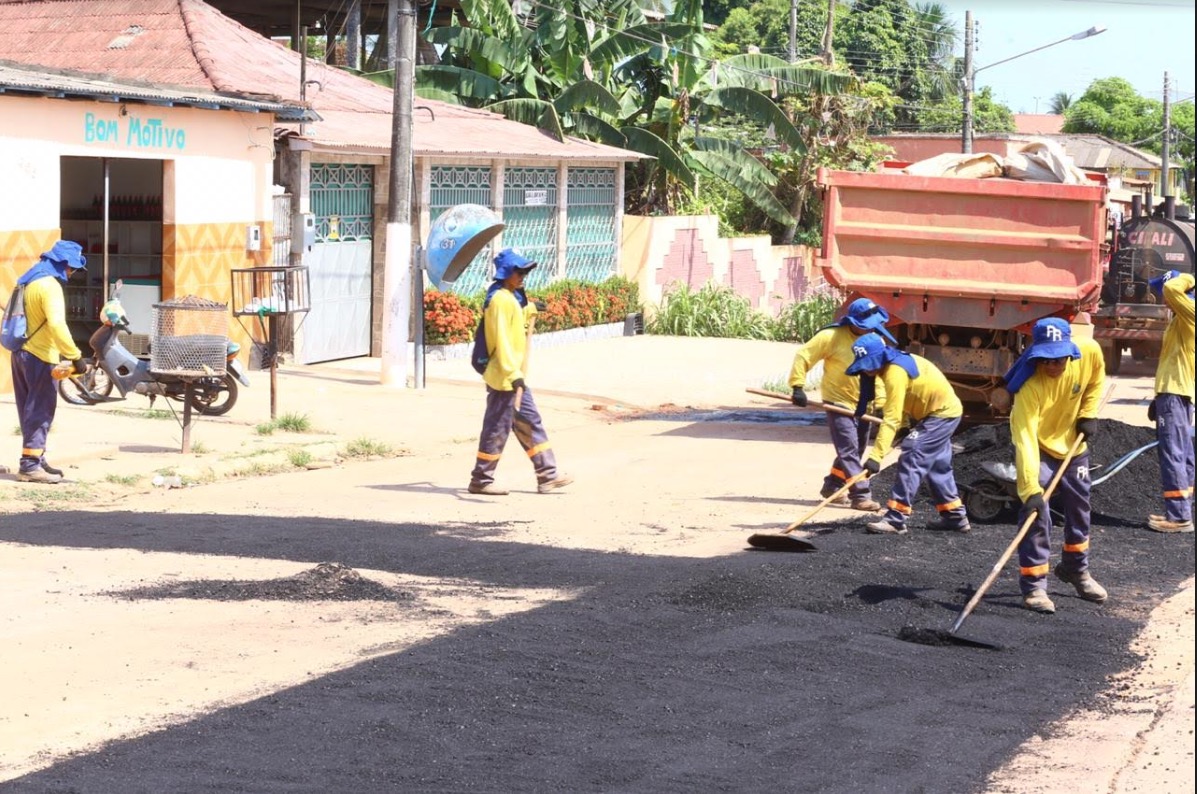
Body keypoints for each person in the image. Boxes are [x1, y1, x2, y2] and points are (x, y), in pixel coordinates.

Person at [1005, 317, 1107, 614]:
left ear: (1069, 352)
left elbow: (1096, 377)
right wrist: (1030, 490)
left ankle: (1076, 569)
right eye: (1046, 360)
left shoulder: (1088, 351)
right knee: (1037, 513)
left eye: (1059, 359)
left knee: (1080, 509)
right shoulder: (1029, 387)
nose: (1053, 366)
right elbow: (1024, 440)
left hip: (1074, 446)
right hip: (1040, 449)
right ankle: (1034, 586)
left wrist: (1088, 413)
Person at [467, 248, 571, 496]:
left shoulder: (508, 298)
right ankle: (481, 479)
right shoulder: (500, 301)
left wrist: (529, 309)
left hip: (512, 377)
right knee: (497, 428)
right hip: (505, 378)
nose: (524, 276)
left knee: (529, 422)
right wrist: (514, 375)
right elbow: (502, 339)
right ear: (506, 274)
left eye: (525, 272)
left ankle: (547, 475)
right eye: (519, 272)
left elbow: (513, 321)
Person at [845, 332, 969, 535]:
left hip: (942, 413)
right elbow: (900, 402)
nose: (866, 369)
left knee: (912, 452)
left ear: (879, 357)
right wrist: (904, 426)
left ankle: (896, 517)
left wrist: (876, 457)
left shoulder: (895, 372)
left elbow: (890, 418)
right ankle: (955, 516)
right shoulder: (889, 366)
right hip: (937, 413)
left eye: (868, 364)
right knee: (937, 465)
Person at [788, 297, 894, 511]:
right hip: (838, 401)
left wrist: (881, 404)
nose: (871, 328)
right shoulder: (831, 336)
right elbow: (803, 355)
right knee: (849, 449)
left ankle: (833, 485)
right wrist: (798, 386)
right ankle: (860, 495)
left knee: (858, 448)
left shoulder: (876, 340)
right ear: (853, 322)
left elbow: (879, 375)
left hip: (864, 403)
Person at [9, 240, 88, 484]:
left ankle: (36, 456)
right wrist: (75, 356)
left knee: (28, 409)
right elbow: (56, 324)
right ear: (64, 264)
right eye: (72, 268)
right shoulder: (49, 286)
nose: (72, 273)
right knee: (41, 410)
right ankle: (30, 465)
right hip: (41, 356)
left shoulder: (29, 279)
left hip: (20, 352)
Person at [1145, 270, 1195, 533]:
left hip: (1176, 393)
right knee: (1183, 452)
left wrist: (1188, 278)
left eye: (1162, 293)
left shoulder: (1190, 312)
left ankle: (1178, 517)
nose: (1163, 300)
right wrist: (1159, 396)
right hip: (1174, 392)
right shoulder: (1180, 318)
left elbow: (1173, 289)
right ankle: (1183, 508)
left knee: (1173, 452)